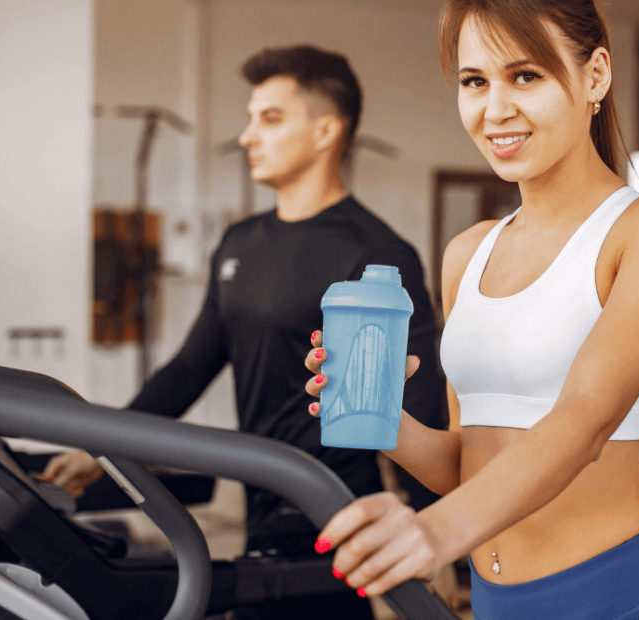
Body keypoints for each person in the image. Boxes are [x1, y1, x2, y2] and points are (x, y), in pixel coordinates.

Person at [303, 1, 639, 618]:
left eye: (526, 76)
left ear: (595, 76)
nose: (495, 110)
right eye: (475, 82)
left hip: (616, 603)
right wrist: (384, 418)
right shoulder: (467, 253)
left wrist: (435, 534)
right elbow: (468, 465)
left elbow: (587, 418)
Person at [42, 45, 445, 620]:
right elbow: (188, 369)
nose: (249, 135)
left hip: (333, 510)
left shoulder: (375, 252)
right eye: (252, 117)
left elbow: (421, 403)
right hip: (258, 501)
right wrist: (103, 448)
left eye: (271, 118)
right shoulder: (239, 243)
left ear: (327, 129)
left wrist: (444, 546)